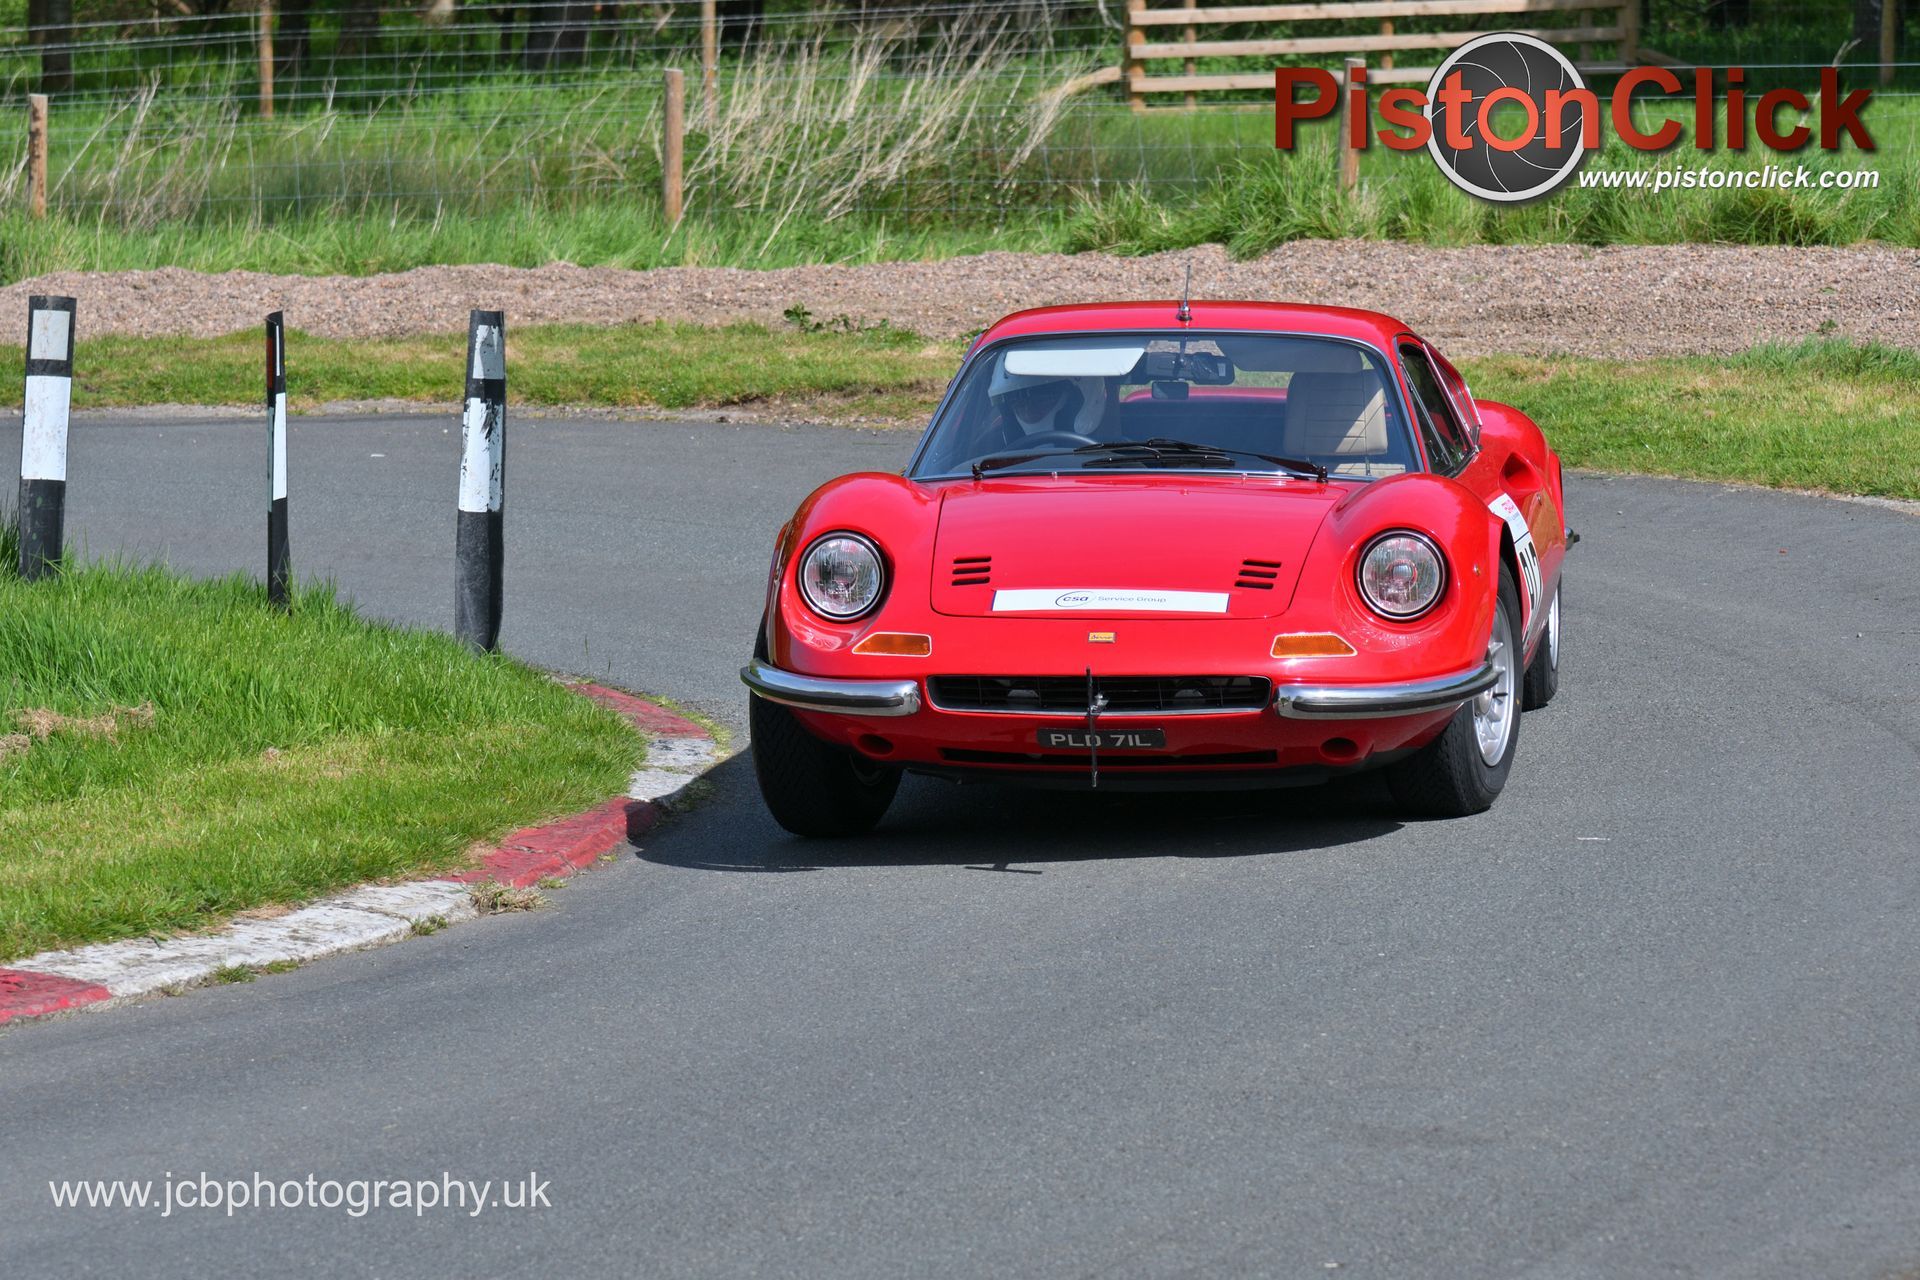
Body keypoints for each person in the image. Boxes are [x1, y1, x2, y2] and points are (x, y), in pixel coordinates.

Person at [987, 367, 1111, 442]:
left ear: (1076, 400)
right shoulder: (988, 452)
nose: (1027, 408)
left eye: (1041, 398)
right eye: (1016, 400)